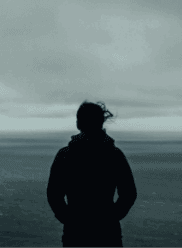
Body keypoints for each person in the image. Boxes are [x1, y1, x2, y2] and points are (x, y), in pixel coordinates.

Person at [47, 100, 137, 247]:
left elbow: (54, 194)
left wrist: (69, 219)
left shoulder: (65, 155)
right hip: (108, 233)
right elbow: (129, 193)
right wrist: (111, 217)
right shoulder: (114, 154)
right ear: (101, 123)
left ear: (78, 123)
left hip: (75, 234)